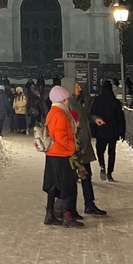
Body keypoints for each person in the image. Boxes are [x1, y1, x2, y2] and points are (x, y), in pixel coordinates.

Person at [62, 76, 106, 216]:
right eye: (77, 86)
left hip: (82, 146)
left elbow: (85, 116)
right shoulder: (69, 105)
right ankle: (72, 208)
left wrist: (94, 119)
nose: (79, 88)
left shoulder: (76, 102)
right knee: (78, 177)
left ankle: (87, 204)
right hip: (77, 147)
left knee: (85, 175)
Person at [42, 85, 81, 227]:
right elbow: (61, 136)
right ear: (62, 100)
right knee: (68, 186)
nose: (67, 101)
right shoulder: (60, 114)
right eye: (66, 99)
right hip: (61, 154)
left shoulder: (52, 112)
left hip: (52, 154)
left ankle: (50, 214)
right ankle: (67, 216)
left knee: (53, 186)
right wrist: (72, 147)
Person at [90, 79, 126, 181]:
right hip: (113, 131)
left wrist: (93, 130)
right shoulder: (115, 102)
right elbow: (120, 118)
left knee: (100, 150)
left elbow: (92, 114)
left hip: (101, 130)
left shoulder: (97, 101)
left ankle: (102, 165)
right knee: (112, 152)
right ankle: (110, 173)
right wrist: (122, 132)